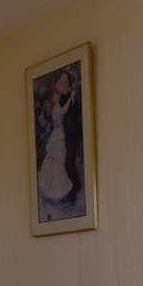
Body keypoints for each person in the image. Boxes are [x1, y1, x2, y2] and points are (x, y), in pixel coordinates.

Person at [37, 74, 75, 203]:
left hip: (59, 134)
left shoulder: (56, 104)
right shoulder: (55, 108)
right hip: (58, 134)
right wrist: (71, 97)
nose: (57, 96)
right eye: (55, 96)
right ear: (52, 98)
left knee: (59, 161)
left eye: (57, 95)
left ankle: (59, 187)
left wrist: (69, 94)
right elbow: (63, 111)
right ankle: (56, 189)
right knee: (58, 161)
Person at [60, 71, 84, 205]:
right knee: (65, 163)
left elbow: (75, 111)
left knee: (69, 163)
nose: (62, 83)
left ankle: (72, 195)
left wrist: (73, 97)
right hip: (64, 135)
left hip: (72, 134)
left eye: (65, 80)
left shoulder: (72, 95)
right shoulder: (62, 96)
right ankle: (75, 185)